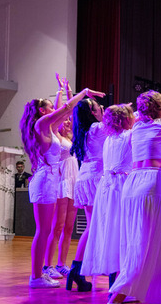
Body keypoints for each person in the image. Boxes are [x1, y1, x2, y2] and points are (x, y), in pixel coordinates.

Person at [103, 90, 161, 304]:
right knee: (143, 244)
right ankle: (114, 301)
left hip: (132, 184)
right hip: (151, 184)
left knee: (139, 243)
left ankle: (155, 291)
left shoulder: (135, 127)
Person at [20, 86, 104, 289]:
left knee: (46, 229)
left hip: (50, 179)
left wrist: (71, 96)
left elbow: (66, 112)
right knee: (43, 230)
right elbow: (65, 108)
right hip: (44, 180)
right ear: (42, 111)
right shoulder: (41, 123)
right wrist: (83, 93)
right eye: (50, 107)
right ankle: (36, 276)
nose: (53, 109)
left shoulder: (49, 128)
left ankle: (39, 274)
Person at [82, 104, 135, 281]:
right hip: (120, 185)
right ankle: (120, 276)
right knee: (121, 228)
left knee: (109, 228)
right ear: (126, 119)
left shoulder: (109, 139)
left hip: (106, 186)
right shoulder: (129, 135)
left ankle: (113, 273)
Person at [67, 96, 110, 291]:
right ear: (92, 112)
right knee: (93, 226)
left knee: (93, 226)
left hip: (85, 176)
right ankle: (78, 268)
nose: (101, 108)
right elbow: (119, 125)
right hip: (94, 178)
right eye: (98, 106)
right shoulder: (96, 128)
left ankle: (79, 268)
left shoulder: (83, 130)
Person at [45, 77, 78, 279]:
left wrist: (69, 91)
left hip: (74, 182)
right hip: (62, 182)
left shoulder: (74, 138)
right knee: (57, 226)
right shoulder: (56, 136)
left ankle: (61, 264)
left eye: (69, 121)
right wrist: (60, 91)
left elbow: (72, 112)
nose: (67, 121)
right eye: (64, 120)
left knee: (69, 227)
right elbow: (61, 112)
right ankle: (47, 266)